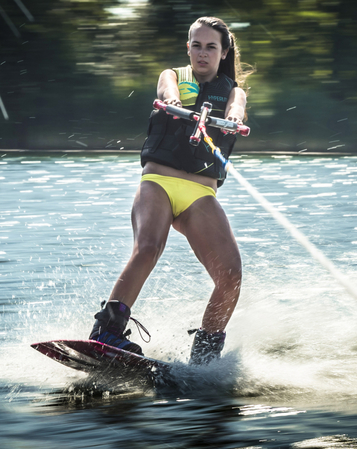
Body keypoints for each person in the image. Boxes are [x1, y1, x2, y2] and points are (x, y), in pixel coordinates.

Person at [88, 17, 250, 365]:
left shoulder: (233, 91)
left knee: (231, 274)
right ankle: (107, 332)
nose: (202, 53)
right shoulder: (173, 76)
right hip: (158, 183)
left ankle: (204, 358)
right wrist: (176, 105)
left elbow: (237, 107)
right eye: (196, 45)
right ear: (188, 48)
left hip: (199, 195)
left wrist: (233, 120)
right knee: (148, 247)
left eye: (211, 47)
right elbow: (167, 92)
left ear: (223, 54)